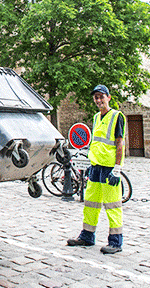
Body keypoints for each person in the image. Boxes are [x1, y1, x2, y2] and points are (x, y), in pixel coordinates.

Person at [67, 84, 126, 254]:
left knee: (113, 206)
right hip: (95, 167)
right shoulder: (95, 117)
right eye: (96, 97)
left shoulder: (117, 117)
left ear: (108, 97)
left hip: (109, 169)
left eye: (102, 96)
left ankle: (115, 242)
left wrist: (117, 168)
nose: (99, 100)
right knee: (90, 203)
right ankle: (87, 236)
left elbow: (119, 143)